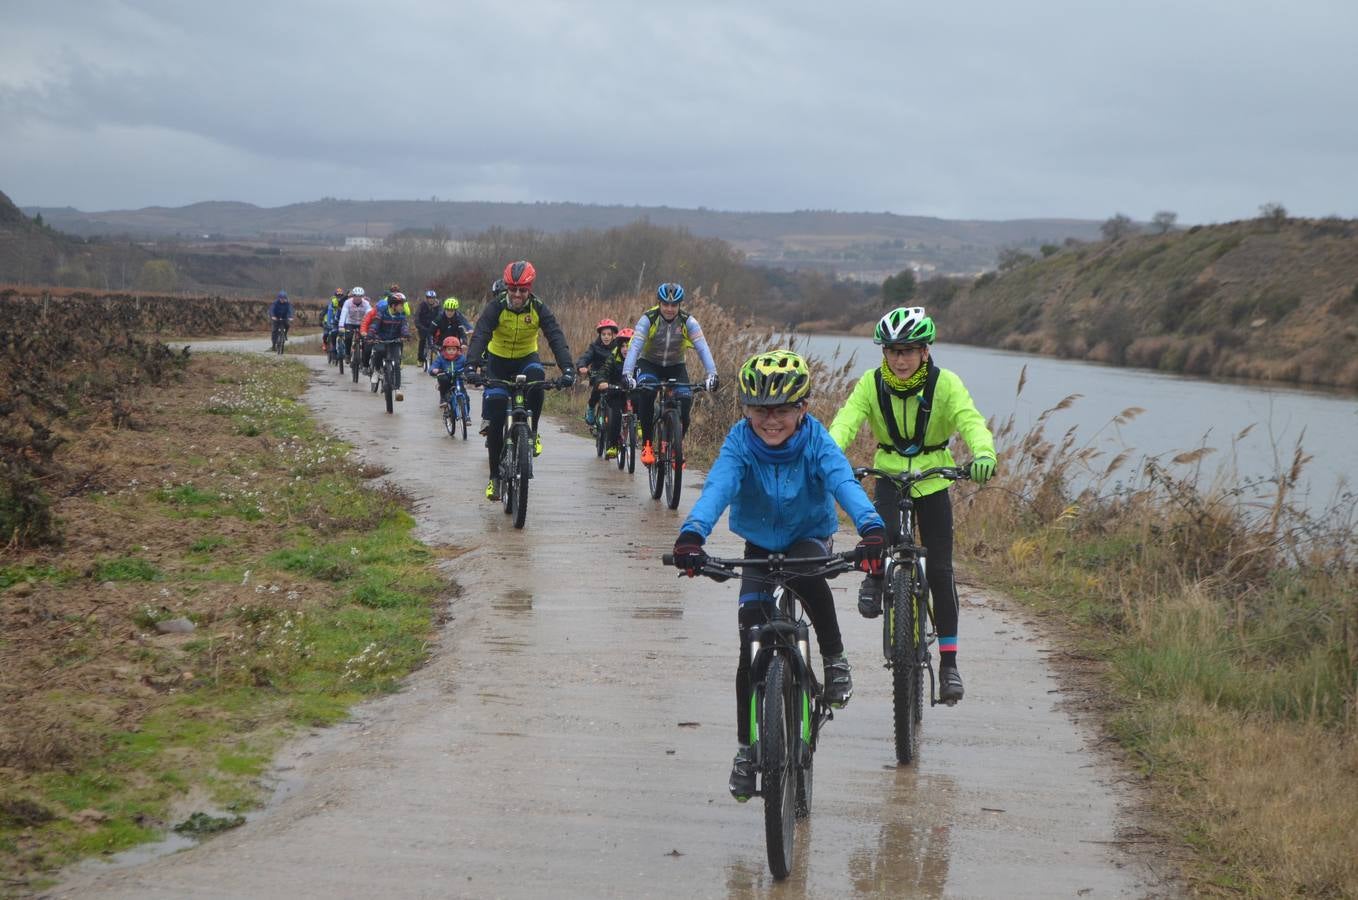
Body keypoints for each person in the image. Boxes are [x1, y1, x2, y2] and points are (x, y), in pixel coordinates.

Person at [670, 349, 887, 801]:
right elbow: (719, 487)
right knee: (750, 640)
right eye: (759, 410)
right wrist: (692, 536)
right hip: (760, 545)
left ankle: (835, 657)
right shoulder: (738, 443)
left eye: (783, 410)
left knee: (807, 574)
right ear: (746, 410)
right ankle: (747, 750)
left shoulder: (816, 441)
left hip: (809, 536)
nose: (771, 420)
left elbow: (844, 481)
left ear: (802, 408)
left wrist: (870, 529)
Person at [827, 306, 996, 704]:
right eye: (892, 351)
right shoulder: (870, 384)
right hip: (888, 474)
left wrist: (984, 453)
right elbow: (845, 421)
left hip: (935, 477)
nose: (900, 359)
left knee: (939, 569)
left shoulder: (946, 384)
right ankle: (876, 576)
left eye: (909, 350)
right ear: (883, 353)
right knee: (878, 534)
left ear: (925, 351)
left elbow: (970, 421)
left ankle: (949, 663)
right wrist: (830, 456)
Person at [464, 260, 575, 500]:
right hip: (498, 361)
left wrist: (567, 369)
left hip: (526, 357)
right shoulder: (495, 307)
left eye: (522, 290)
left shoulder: (538, 308)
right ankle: (494, 477)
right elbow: (481, 334)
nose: (516, 294)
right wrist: (471, 365)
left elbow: (555, 336)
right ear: (506, 288)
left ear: (530, 289)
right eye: (512, 289)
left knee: (537, 379)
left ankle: (532, 433)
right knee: (494, 418)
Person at [621, 282, 720, 467]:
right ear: (659, 303)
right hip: (649, 363)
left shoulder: (688, 321)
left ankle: (676, 447)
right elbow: (634, 348)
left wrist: (712, 374)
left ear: (680, 305)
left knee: (685, 400)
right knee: (647, 393)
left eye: (674, 305)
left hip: (676, 365)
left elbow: (702, 348)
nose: (669, 308)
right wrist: (627, 374)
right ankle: (648, 444)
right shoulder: (648, 319)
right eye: (665, 304)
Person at [361, 291, 412, 400]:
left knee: (397, 363)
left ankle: (398, 389)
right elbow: (374, 325)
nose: (403, 307)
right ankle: (376, 370)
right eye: (401, 305)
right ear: (393, 305)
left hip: (395, 341)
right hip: (381, 340)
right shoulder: (382, 313)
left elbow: (404, 327)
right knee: (378, 352)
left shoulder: (401, 315)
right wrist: (370, 335)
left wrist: (406, 335)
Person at [592, 326, 634, 459]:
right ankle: (612, 444)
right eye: (623, 346)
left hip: (632, 392)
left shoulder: (640, 358)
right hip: (615, 391)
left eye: (629, 346)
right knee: (615, 415)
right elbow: (604, 371)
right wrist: (602, 382)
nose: (626, 349)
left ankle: (638, 431)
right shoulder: (613, 357)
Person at [575, 319, 621, 428]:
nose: (606, 337)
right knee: (597, 388)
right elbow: (586, 357)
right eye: (603, 334)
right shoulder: (594, 347)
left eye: (609, 334)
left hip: (612, 376)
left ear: (614, 335)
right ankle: (591, 407)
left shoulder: (618, 348)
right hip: (597, 375)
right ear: (600, 335)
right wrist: (582, 366)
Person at [428, 335, 468, 408]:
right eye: (449, 349)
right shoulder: (441, 358)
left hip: (458, 379)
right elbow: (433, 366)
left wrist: (469, 369)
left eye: (453, 349)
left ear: (458, 350)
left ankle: (466, 415)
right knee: (442, 378)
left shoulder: (462, 358)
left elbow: (467, 364)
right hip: (446, 380)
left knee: (465, 396)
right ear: (445, 350)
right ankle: (443, 398)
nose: (451, 352)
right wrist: (434, 370)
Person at [339, 287, 372, 367]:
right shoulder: (347, 302)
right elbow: (343, 314)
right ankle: (347, 354)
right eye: (356, 296)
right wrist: (341, 326)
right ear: (353, 296)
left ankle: (364, 359)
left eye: (360, 296)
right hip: (350, 322)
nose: (358, 298)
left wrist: (371, 326)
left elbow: (370, 315)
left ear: (362, 297)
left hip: (362, 323)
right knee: (348, 337)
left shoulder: (366, 303)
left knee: (365, 340)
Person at [415, 290, 440, 364]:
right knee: (422, 340)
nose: (431, 299)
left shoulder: (438, 306)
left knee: (437, 340)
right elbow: (417, 316)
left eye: (433, 298)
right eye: (429, 298)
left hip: (434, 326)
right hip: (423, 326)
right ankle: (420, 359)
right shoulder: (422, 305)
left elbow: (441, 315)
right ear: (427, 298)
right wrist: (419, 325)